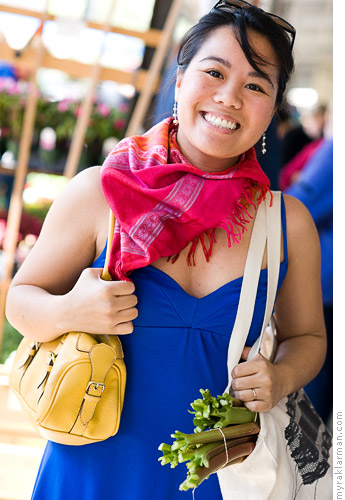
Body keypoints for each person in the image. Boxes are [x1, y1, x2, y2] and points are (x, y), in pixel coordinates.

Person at [5, 2, 328, 499]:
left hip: (219, 477)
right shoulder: (100, 193)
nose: (229, 97)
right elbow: (20, 301)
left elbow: (307, 337)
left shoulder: (286, 223)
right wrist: (70, 309)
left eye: (256, 85)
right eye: (214, 71)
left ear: (274, 107)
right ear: (179, 81)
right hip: (90, 469)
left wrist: (280, 374)